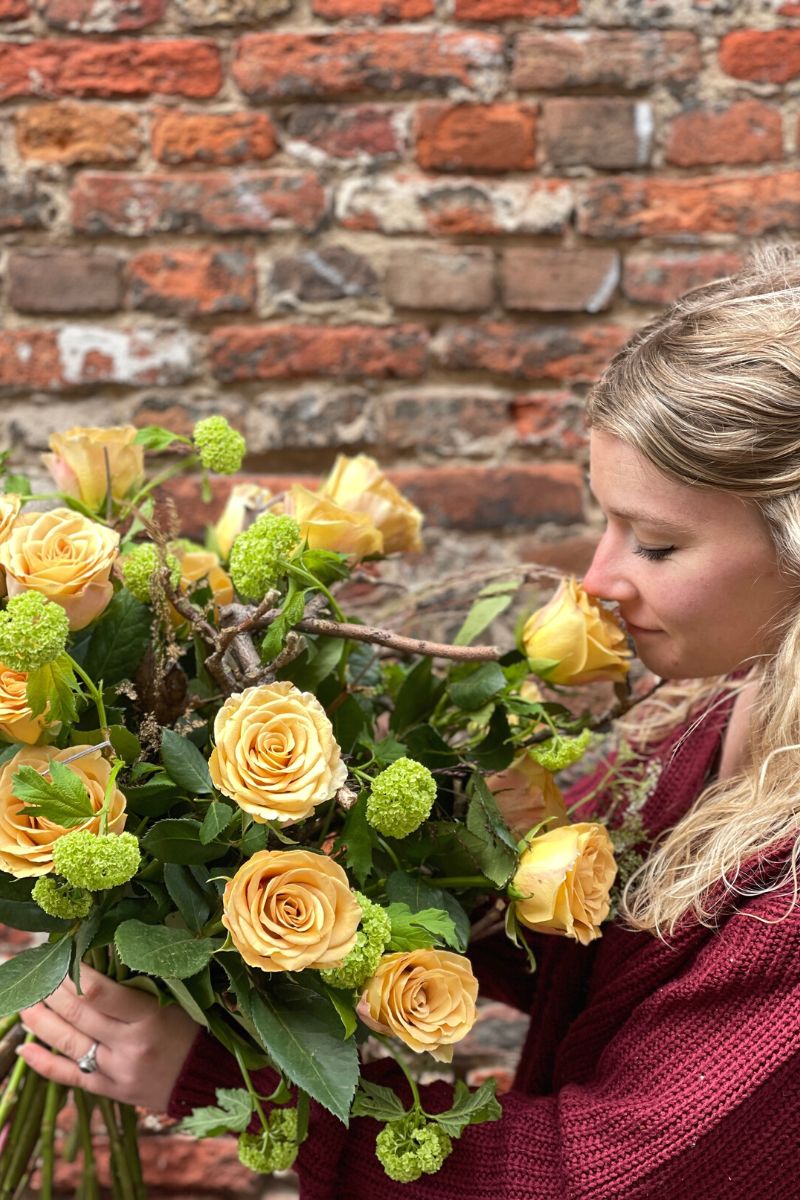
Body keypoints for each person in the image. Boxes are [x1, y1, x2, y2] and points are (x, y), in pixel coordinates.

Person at [17, 246, 800, 1198]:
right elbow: (554, 928)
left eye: (658, 543)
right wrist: (322, 842)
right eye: (607, 522)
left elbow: (596, 1179)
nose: (598, 580)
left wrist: (228, 1078)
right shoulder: (727, 698)